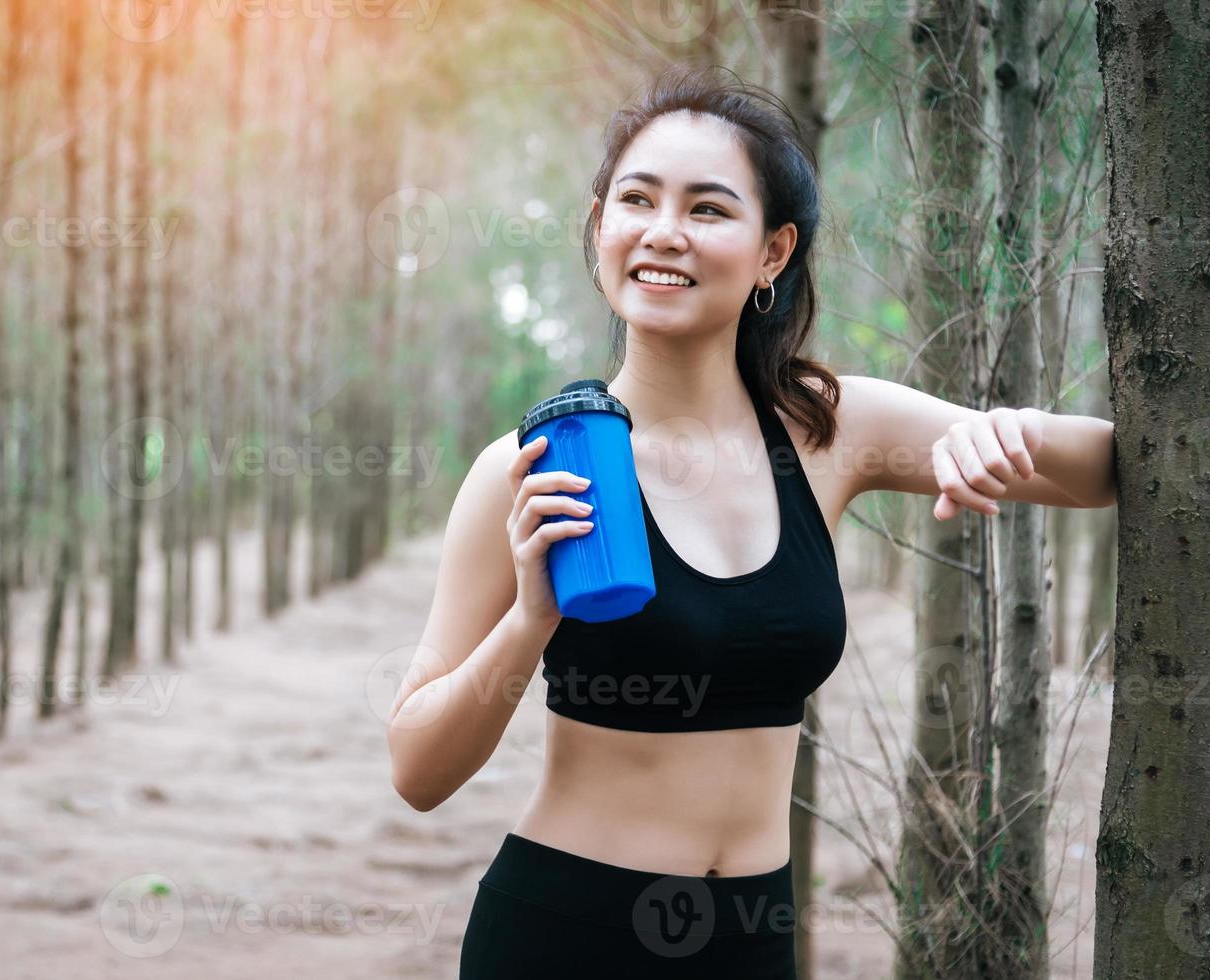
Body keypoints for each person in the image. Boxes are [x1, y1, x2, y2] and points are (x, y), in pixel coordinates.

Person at [385, 63, 1117, 979]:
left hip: (755, 939)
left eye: (706, 209)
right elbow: (416, 770)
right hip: (566, 930)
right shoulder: (529, 470)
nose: (662, 232)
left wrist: (1009, 432)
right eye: (637, 200)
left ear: (774, 251)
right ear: (602, 225)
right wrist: (530, 621)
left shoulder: (832, 432)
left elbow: (1108, 468)